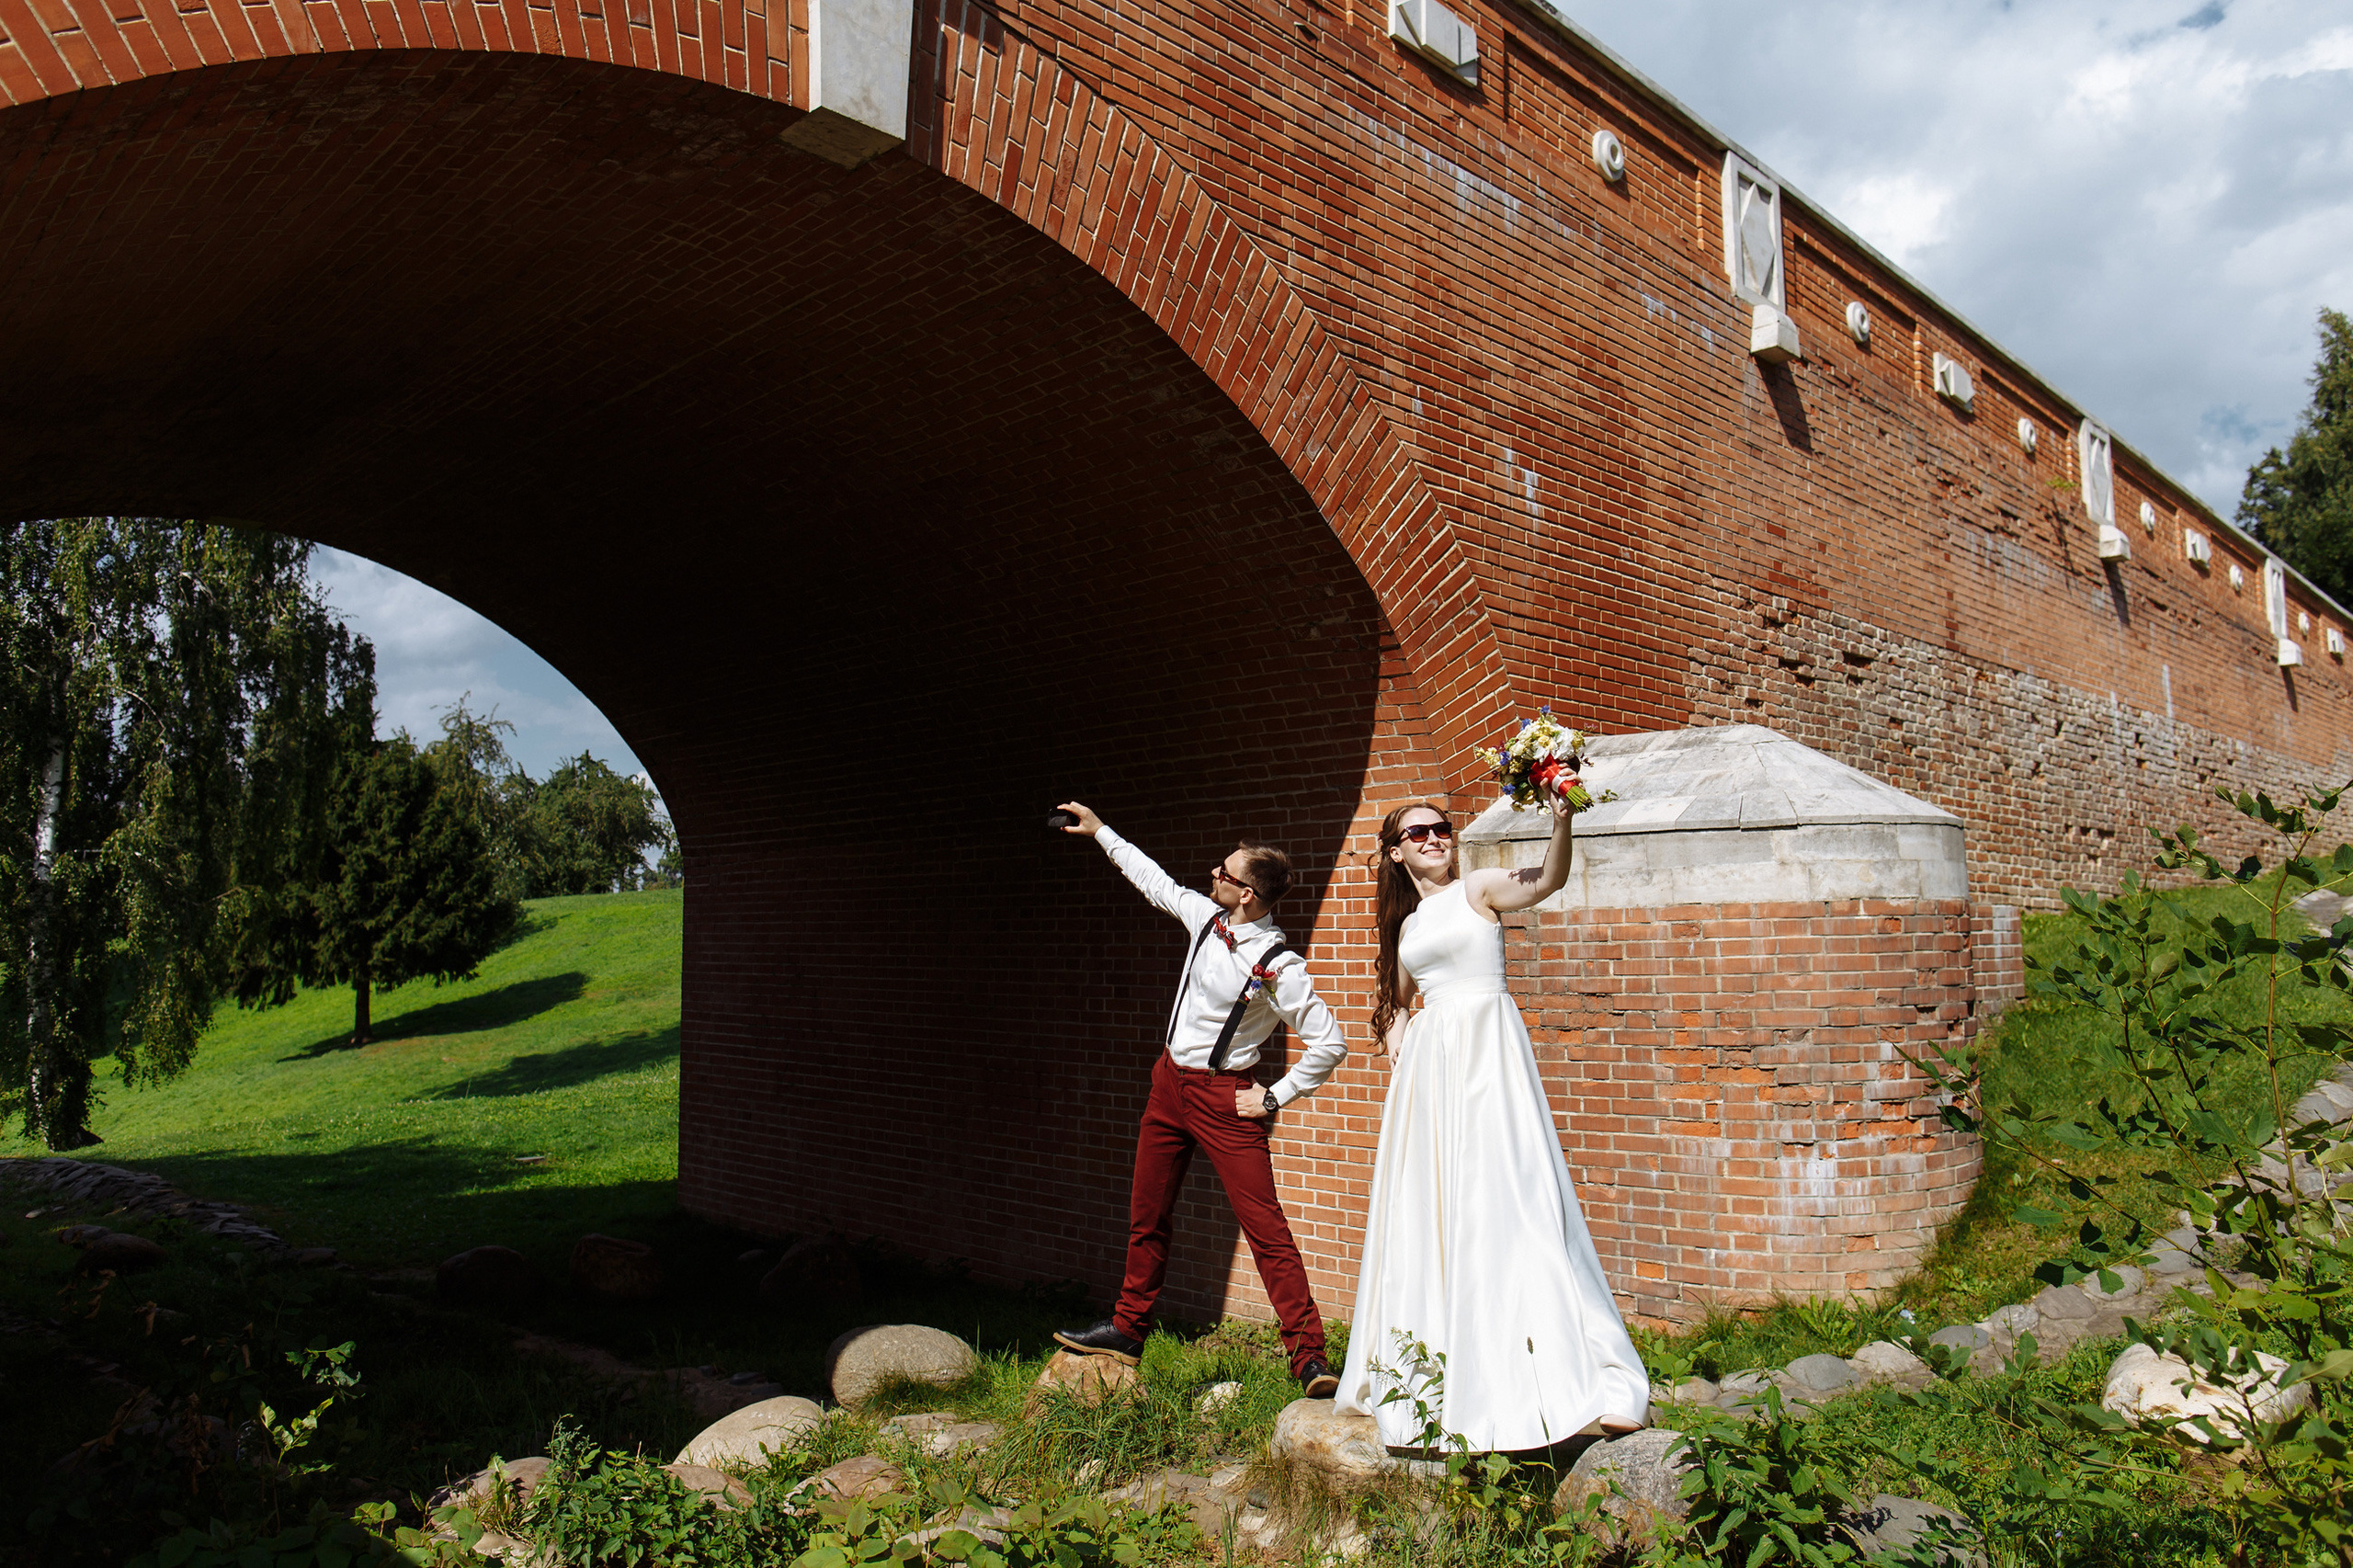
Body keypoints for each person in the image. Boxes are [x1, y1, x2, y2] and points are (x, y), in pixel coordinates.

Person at [1332, 795, 1649, 1451]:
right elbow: (1396, 996)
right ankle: (1441, 1380)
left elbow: (1548, 879)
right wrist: (1398, 1041)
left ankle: (1596, 1381)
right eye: (1417, 832)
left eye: (1441, 828)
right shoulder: (1409, 924)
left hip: (1487, 1059)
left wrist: (1563, 820)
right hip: (1430, 1080)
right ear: (1394, 851)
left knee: (1518, 1202)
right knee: (1437, 1216)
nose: (1434, 838)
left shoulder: (1476, 889)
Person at [1050, 801, 1350, 1396]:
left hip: (1226, 1098)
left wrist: (1275, 1097)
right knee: (1148, 1212)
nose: (1212, 874)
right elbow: (1154, 880)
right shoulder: (1203, 918)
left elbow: (1330, 1041)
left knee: (1265, 1227)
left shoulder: (1279, 966)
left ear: (1248, 896)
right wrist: (1102, 831)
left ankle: (1310, 1359)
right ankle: (1128, 1328)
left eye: (1224, 872)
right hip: (1168, 1086)